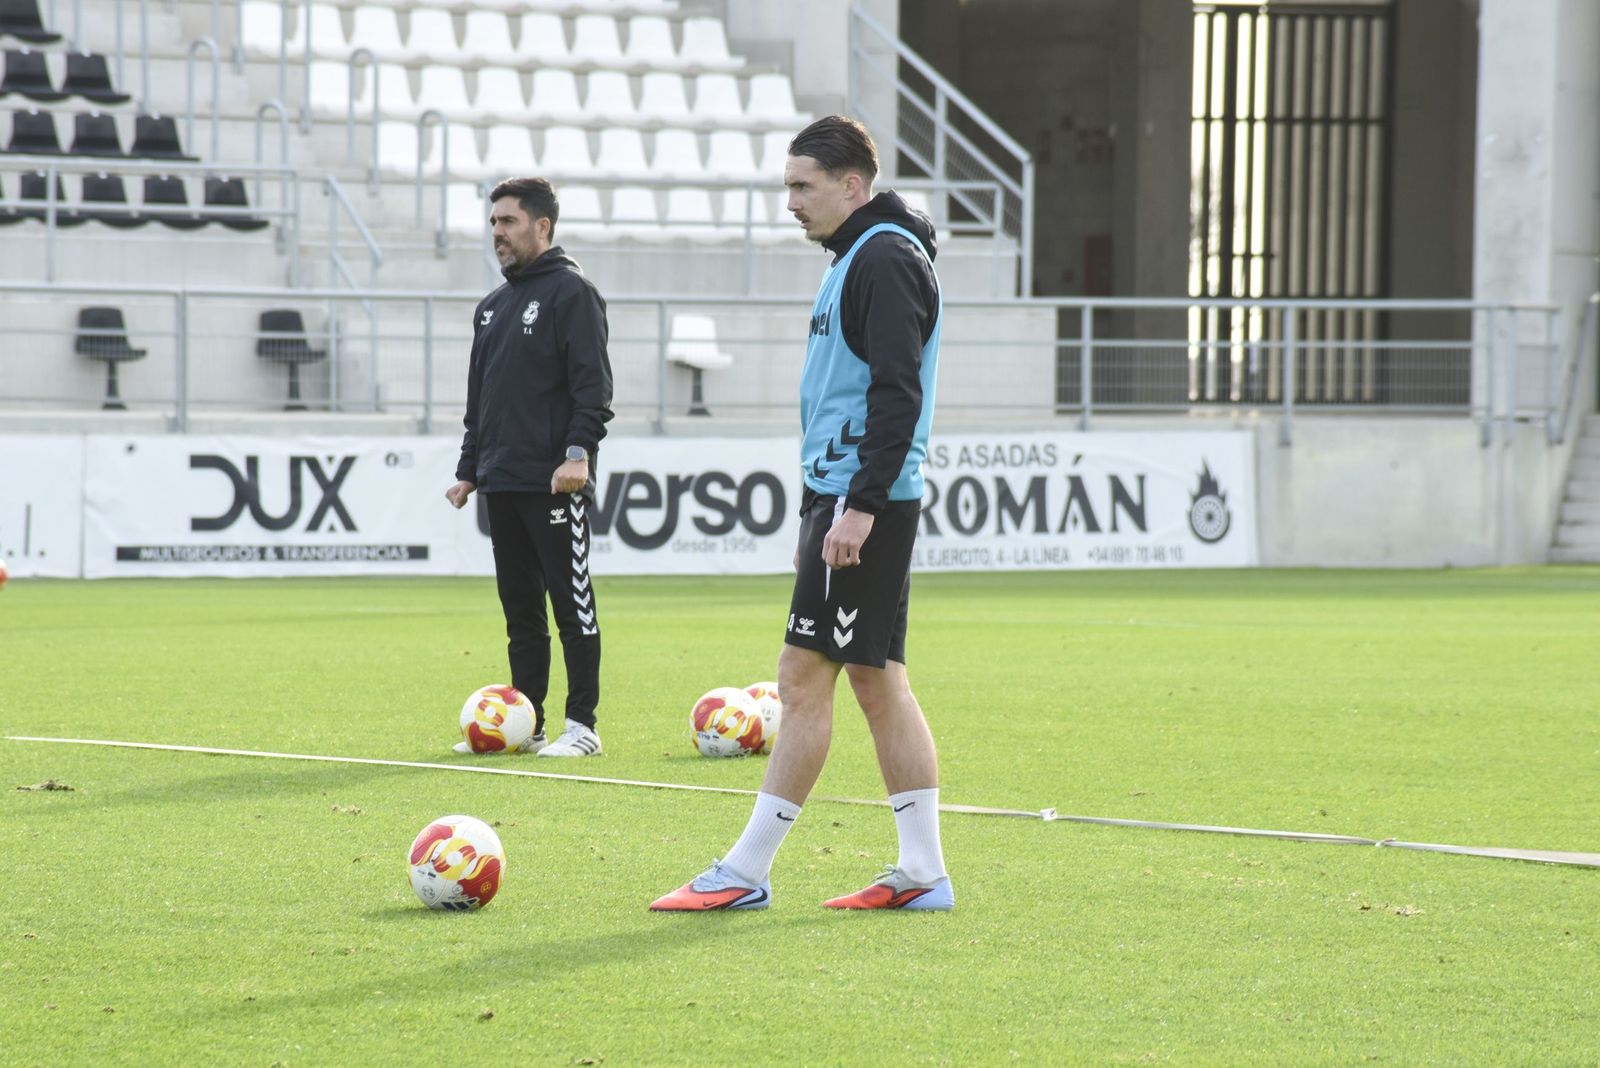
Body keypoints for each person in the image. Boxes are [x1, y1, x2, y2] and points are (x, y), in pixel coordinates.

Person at [651, 116, 950, 911]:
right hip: (849, 496)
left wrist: (855, 509)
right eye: (787, 185)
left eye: (801, 186)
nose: (789, 202)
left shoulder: (883, 257)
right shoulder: (859, 255)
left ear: (852, 186)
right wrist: (823, 507)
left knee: (800, 677)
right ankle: (922, 872)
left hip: (865, 500)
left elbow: (897, 393)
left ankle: (746, 871)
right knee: (878, 682)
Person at [446, 176, 614, 758]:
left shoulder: (573, 293)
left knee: (571, 604)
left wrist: (577, 455)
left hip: (553, 480)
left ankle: (582, 726)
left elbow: (593, 388)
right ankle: (528, 722)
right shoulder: (491, 308)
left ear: (541, 226)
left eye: (508, 222)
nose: (498, 233)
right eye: (493, 223)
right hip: (501, 480)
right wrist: (470, 469)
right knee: (521, 613)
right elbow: (480, 400)